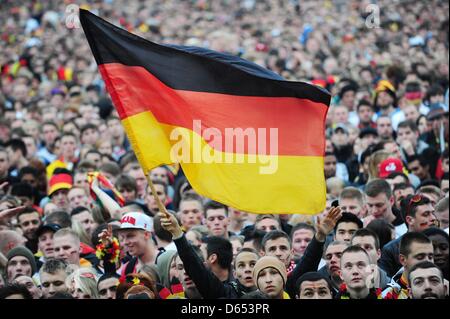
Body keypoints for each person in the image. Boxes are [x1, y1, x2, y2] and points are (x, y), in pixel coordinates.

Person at [380, 194, 437, 277]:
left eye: (433, 213)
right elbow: (387, 284)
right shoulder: (390, 250)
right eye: (426, 214)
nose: (433, 218)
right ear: (410, 220)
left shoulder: (443, 242)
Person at [382, 232, 434, 299]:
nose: (428, 262)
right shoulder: (388, 296)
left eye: (430, 257)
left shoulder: (443, 287)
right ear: (403, 260)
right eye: (420, 257)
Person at [117, 212, 158, 276]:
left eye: (130, 236)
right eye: (123, 237)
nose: (125, 242)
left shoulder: (168, 263)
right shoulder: (127, 268)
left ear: (146, 234)